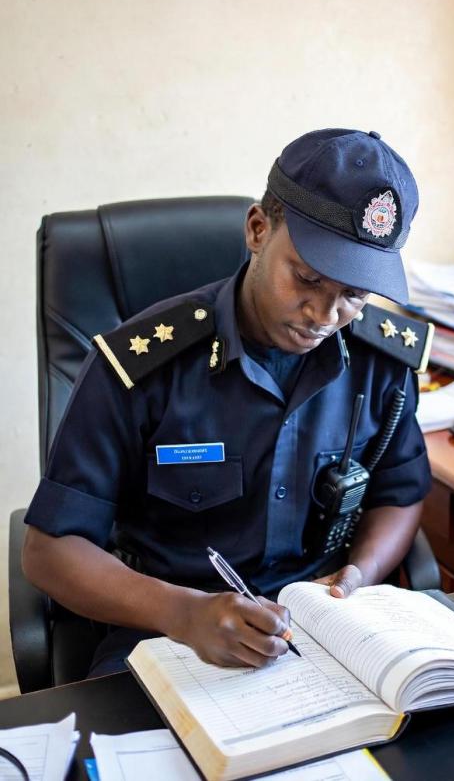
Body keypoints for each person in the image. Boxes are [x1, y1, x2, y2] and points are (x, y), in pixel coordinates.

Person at [22, 127, 432, 676]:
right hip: (166, 635)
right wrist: (184, 613)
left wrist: (359, 573)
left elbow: (400, 494)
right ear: (259, 230)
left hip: (322, 638)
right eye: (307, 278)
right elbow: (50, 551)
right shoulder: (144, 363)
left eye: (354, 295)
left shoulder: (381, 360)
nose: (324, 315)